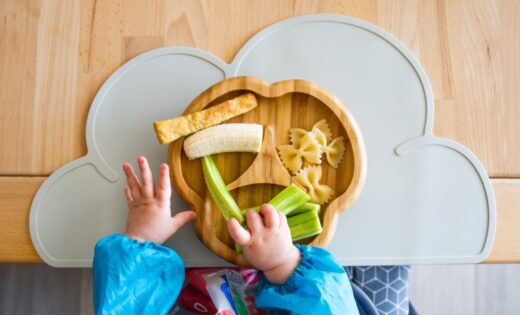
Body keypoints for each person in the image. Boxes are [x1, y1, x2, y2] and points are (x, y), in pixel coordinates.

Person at [93, 156, 360, 314]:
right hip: (291, 286)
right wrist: (282, 262)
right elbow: (328, 306)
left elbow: (123, 305)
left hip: (175, 287)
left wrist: (142, 238)